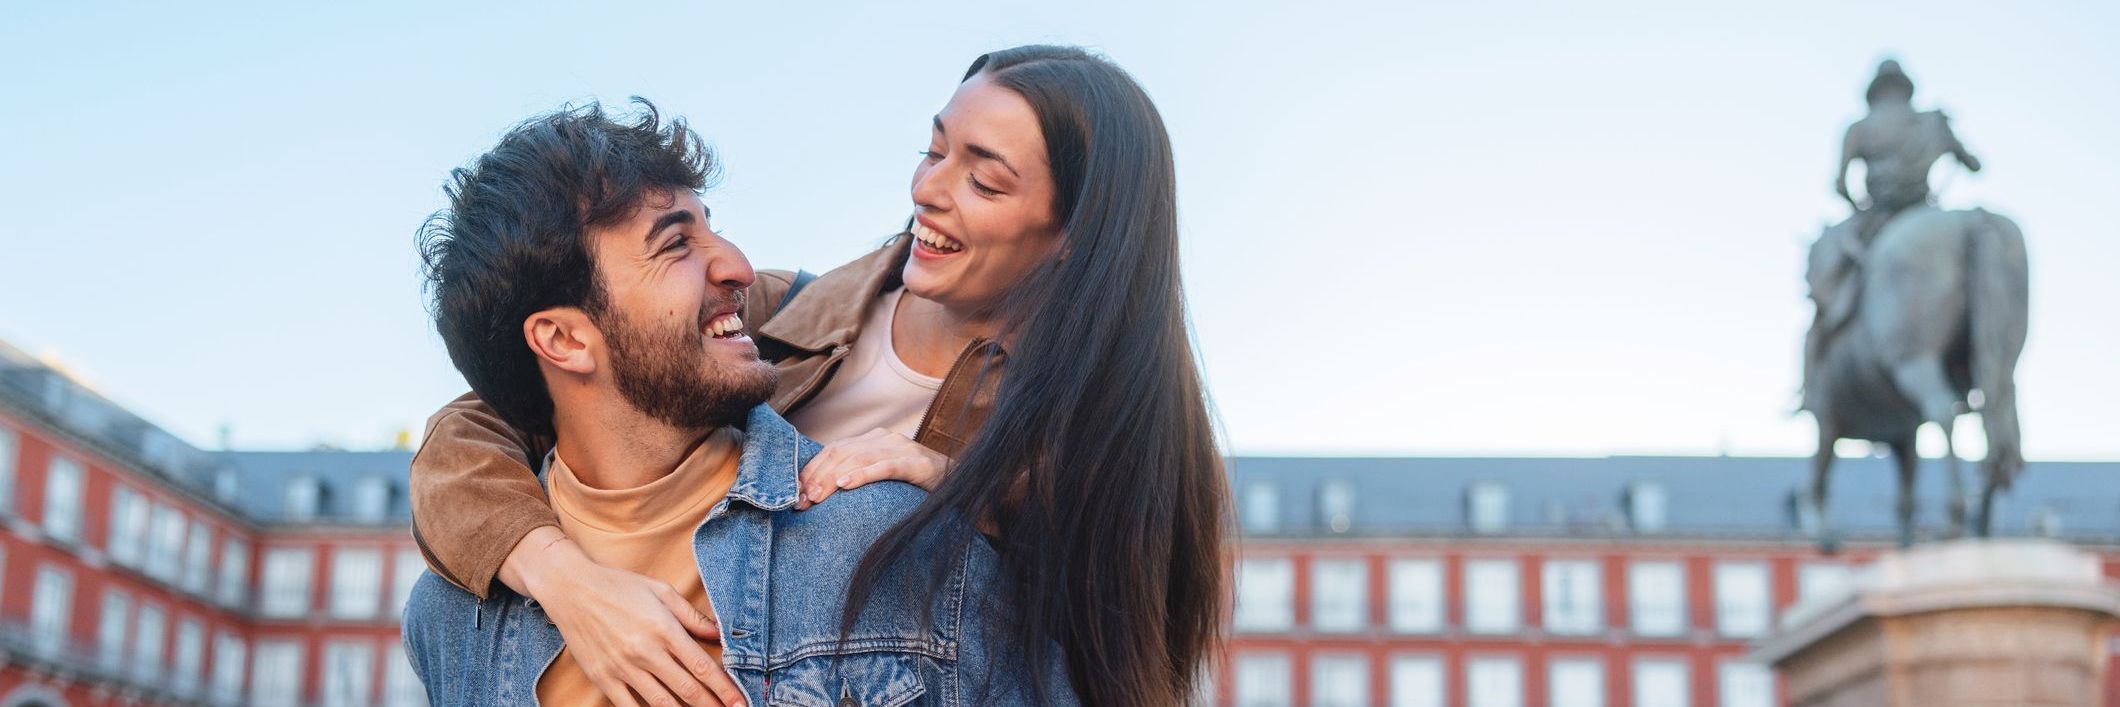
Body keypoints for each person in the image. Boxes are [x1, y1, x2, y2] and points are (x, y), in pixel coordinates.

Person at [410, 45, 1229, 706]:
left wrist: (956, 480)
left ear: (1077, 233)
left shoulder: (1103, 434)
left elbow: (1105, 625)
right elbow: (491, 410)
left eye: (983, 178)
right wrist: (566, 580)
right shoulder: (790, 311)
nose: (926, 190)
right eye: (933, 150)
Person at [1804, 59, 1982, 411]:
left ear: (1874, 92)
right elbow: (1974, 165)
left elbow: (1840, 184)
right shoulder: (1932, 121)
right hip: (1923, 208)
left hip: (1876, 217)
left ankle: (1811, 387)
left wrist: (1856, 202)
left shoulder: (1859, 128)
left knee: (1825, 295)